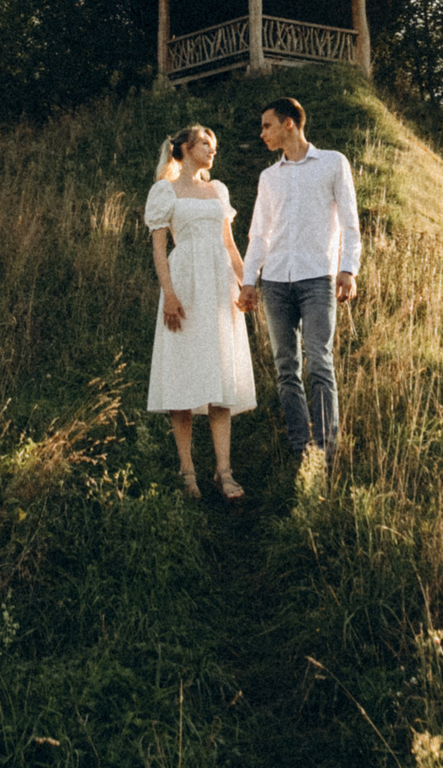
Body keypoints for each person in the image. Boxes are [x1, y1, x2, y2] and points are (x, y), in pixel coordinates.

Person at [237, 96, 360, 469]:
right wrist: (249, 280)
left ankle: (326, 452)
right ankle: (299, 449)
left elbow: (351, 224)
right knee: (285, 368)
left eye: (267, 125)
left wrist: (348, 269)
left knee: (320, 363)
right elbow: (258, 233)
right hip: (275, 281)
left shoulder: (333, 164)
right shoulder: (268, 177)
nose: (262, 134)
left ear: (289, 123)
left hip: (317, 279)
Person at [143, 123, 258, 499]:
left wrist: (246, 283)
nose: (212, 150)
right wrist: (170, 295)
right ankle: (187, 471)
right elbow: (160, 249)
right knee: (183, 372)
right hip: (185, 284)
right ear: (186, 148)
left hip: (218, 284)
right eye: (205, 144)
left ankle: (224, 472)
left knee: (220, 374)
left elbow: (228, 243)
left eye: (214, 145)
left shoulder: (218, 190)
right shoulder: (166, 191)